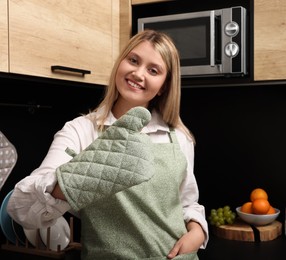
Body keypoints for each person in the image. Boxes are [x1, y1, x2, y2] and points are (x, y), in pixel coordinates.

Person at [7, 29, 208, 259]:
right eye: (133, 60)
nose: (138, 73)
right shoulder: (81, 130)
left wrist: (197, 232)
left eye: (153, 70)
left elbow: (188, 204)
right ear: (120, 63)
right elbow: (20, 208)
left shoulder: (179, 137)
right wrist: (88, 175)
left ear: (163, 85)